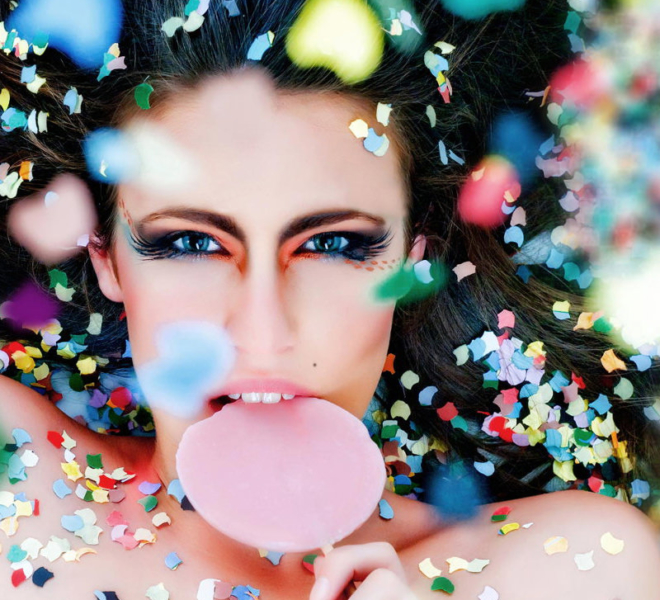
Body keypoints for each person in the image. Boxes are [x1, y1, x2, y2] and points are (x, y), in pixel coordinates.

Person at [0, 0, 659, 598]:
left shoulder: (578, 566)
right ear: (105, 255)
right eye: (190, 244)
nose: (262, 331)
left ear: (414, 256)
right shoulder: (15, 476)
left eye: (334, 244)